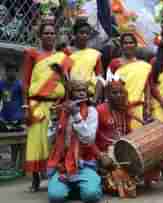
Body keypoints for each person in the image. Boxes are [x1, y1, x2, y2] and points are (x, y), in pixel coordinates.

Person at [22, 22, 72, 192]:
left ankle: (55, 179)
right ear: (40, 35)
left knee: (55, 143)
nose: (49, 36)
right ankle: (35, 181)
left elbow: (68, 83)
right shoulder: (32, 53)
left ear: (55, 35)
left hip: (56, 106)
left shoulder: (62, 57)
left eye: (52, 33)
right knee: (36, 142)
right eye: (46, 33)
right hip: (36, 105)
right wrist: (25, 106)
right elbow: (26, 81)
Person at [47, 80, 102, 203]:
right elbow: (50, 140)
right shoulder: (60, 110)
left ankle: (80, 186)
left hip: (85, 163)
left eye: (84, 90)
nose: (82, 93)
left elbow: (88, 139)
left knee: (91, 196)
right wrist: (54, 120)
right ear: (70, 93)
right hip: (62, 166)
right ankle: (74, 186)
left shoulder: (92, 111)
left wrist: (76, 115)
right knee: (55, 197)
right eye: (78, 90)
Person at [108, 32, 152, 129]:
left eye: (131, 42)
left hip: (138, 108)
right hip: (120, 108)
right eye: (125, 43)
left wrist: (148, 107)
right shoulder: (115, 64)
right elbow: (109, 88)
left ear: (136, 45)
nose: (128, 45)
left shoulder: (144, 66)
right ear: (121, 45)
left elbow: (147, 87)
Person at [66, 19, 103, 103]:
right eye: (81, 33)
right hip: (72, 98)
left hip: (90, 98)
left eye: (87, 33)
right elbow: (64, 77)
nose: (84, 35)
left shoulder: (95, 54)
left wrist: (95, 99)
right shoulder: (67, 52)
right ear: (74, 34)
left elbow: (100, 79)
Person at [0, 62, 25, 130]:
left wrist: (24, 116)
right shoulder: (1, 84)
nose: (11, 73)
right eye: (9, 71)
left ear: (16, 72)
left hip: (17, 119)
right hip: (4, 118)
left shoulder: (20, 85)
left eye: (13, 71)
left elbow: (24, 102)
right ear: (6, 72)